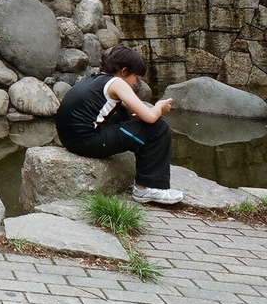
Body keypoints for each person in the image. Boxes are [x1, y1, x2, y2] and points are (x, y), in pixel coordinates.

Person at [54, 45, 183, 205]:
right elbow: (150, 117)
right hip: (86, 142)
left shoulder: (95, 78)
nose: (137, 82)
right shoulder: (117, 83)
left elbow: (133, 112)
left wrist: (141, 114)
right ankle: (147, 187)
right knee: (158, 128)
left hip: (70, 139)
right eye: (136, 77)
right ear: (124, 71)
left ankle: (145, 173)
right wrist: (159, 108)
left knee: (125, 116)